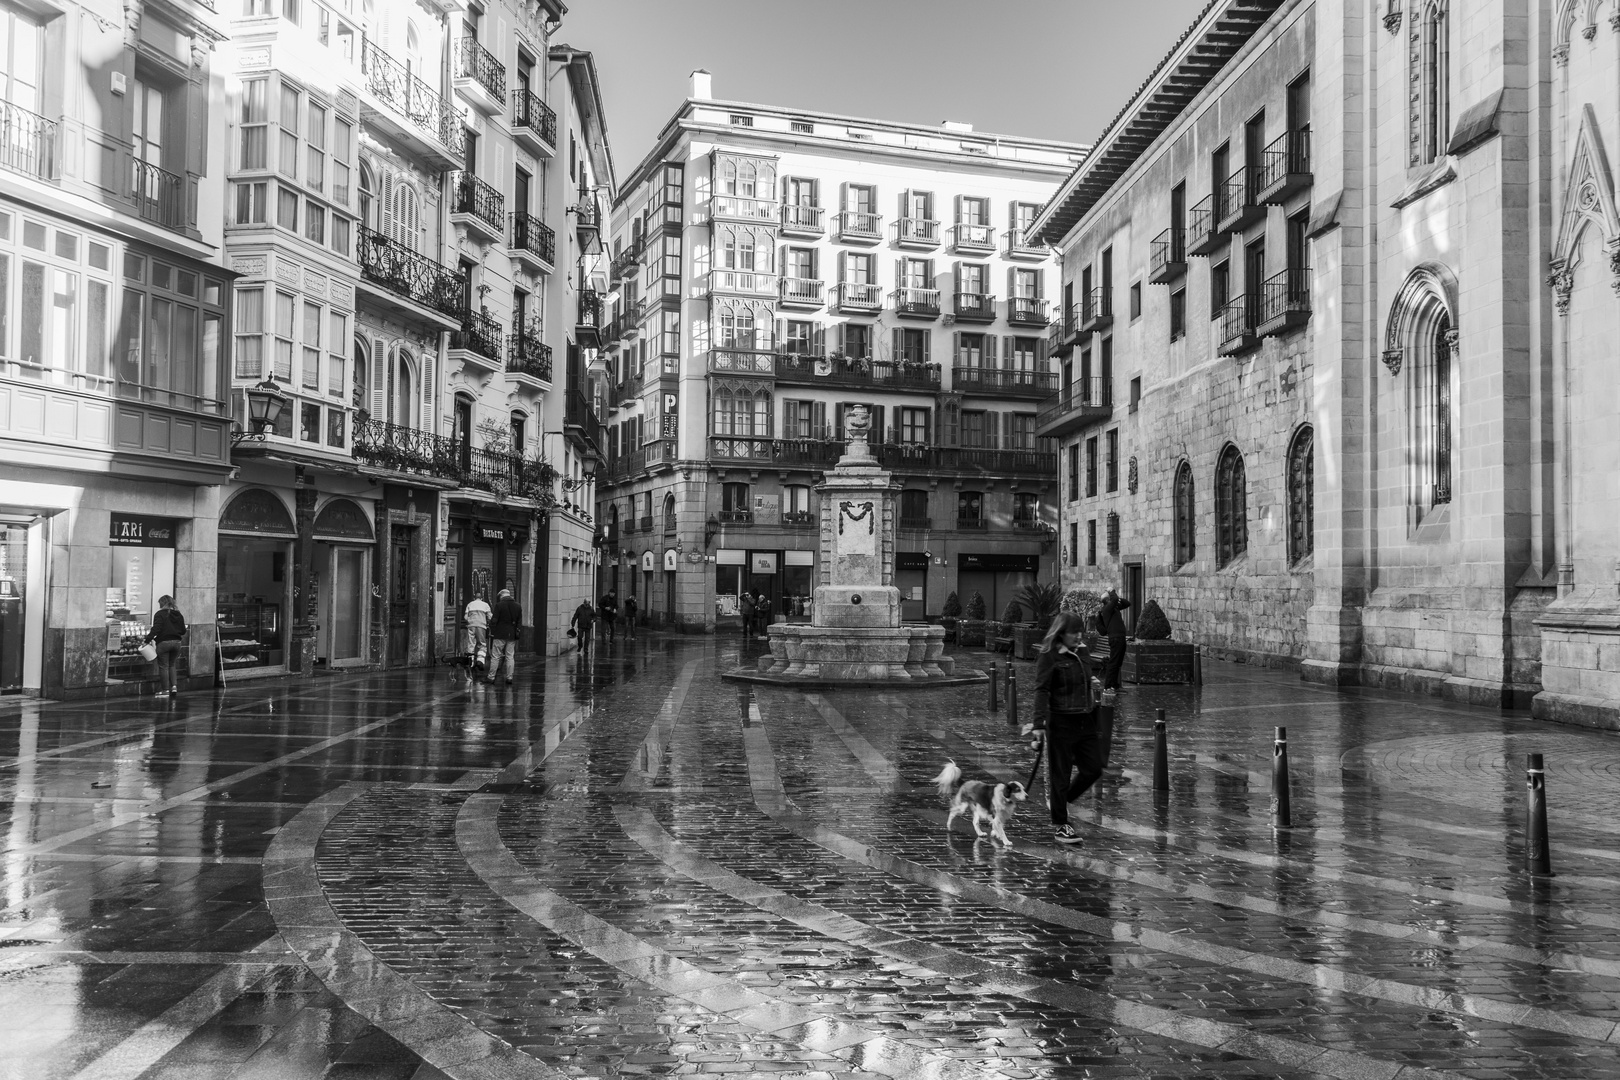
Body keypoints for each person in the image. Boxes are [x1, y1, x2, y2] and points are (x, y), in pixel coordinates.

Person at [1030, 612, 1102, 845]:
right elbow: (1042, 690)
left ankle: (1061, 800)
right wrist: (1038, 725)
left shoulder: (1082, 651)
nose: (1079, 636)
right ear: (1062, 632)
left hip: (1084, 719)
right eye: (1074, 632)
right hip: (1060, 721)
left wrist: (1090, 682)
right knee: (1059, 776)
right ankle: (1061, 824)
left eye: (1081, 631)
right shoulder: (1049, 655)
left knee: (1094, 768)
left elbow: (1084, 676)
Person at [1096, 588, 1133, 781]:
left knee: (1117, 663)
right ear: (1106, 601)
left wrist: (1117, 599)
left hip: (1119, 637)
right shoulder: (1106, 610)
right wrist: (1112, 594)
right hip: (1116, 638)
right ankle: (1109, 686)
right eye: (1109, 599)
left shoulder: (1113, 608)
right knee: (1113, 663)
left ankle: (1113, 685)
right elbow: (1116, 601)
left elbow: (1127, 603)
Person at [145, 595, 186, 697]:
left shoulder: (160, 614)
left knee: (164, 666)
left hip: (164, 643)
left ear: (162, 603)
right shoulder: (178, 614)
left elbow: (156, 629)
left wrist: (147, 640)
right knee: (172, 664)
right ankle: (174, 687)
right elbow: (183, 631)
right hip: (177, 643)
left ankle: (165, 691)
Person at [487, 588, 523, 684]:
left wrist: (492, 629)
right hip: (512, 634)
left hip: (500, 634)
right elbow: (519, 622)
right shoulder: (518, 606)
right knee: (510, 656)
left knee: (495, 656)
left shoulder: (499, 605)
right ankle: (509, 677)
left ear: (502, 596)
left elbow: (494, 620)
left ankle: (491, 677)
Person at [464, 593, 491, 670]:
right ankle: (480, 661)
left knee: (471, 643)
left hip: (471, 626)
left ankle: (471, 662)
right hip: (481, 626)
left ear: (474, 597)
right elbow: (490, 617)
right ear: (481, 598)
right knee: (482, 644)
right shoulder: (485, 605)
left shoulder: (470, 604)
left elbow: (465, 617)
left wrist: (470, 621)